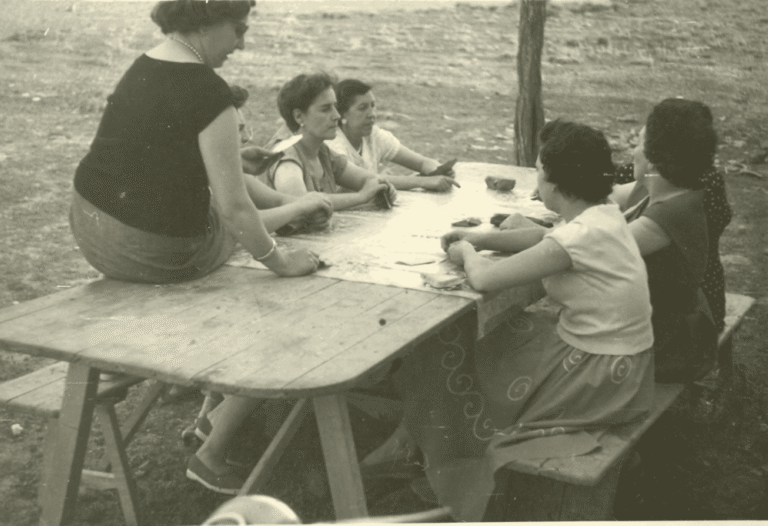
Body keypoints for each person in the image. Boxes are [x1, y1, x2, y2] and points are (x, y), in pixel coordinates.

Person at [68, 0, 334, 494]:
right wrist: (279, 261)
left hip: (89, 225)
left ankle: (286, 211)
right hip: (148, 250)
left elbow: (154, 145)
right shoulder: (210, 92)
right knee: (237, 235)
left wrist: (229, 154)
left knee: (222, 213)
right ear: (206, 22)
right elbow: (234, 211)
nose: (242, 42)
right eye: (238, 29)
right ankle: (213, 447)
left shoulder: (147, 61)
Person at [368, 120, 656, 521]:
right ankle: (415, 441)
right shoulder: (602, 215)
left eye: (539, 170)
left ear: (556, 182)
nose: (537, 177)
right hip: (623, 362)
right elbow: (545, 239)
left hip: (598, 374)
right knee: (484, 342)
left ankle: (443, 468)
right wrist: (483, 239)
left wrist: (468, 254)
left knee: (453, 353)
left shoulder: (577, 238)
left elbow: (485, 278)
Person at [499, 99, 724, 384]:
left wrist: (526, 223)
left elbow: (579, 246)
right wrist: (567, 184)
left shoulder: (668, 217)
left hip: (667, 345)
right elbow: (605, 194)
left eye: (640, 143)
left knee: (510, 350)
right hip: (647, 330)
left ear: (655, 158)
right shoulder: (660, 189)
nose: (633, 151)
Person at [612, 99, 731, 335]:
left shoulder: (675, 207)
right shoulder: (679, 184)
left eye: (639, 143)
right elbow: (611, 192)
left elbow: (590, 247)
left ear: (659, 151)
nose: (633, 151)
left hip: (681, 328)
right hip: (667, 314)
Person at [266, 73, 398, 215]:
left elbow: (368, 179)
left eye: (335, 107)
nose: (337, 115)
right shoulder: (285, 158)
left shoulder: (321, 151)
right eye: (325, 109)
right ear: (299, 116)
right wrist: (361, 197)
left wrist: (382, 187)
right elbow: (300, 203)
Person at [326, 78, 459, 192]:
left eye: (373, 106)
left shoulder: (373, 135)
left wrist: (436, 171)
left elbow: (421, 161)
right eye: (362, 108)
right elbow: (368, 180)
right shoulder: (333, 144)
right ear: (342, 114)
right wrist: (423, 181)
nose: (372, 114)